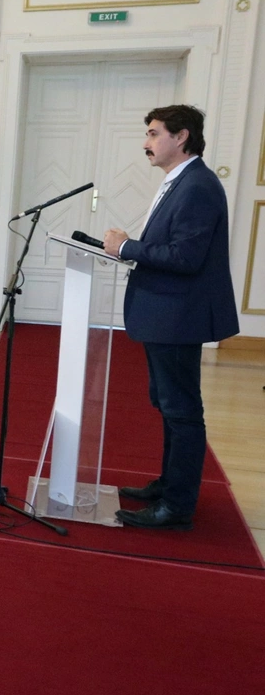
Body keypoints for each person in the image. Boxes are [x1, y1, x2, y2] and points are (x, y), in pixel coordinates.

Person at [103, 105, 239, 531]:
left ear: (181, 137)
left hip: (179, 315)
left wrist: (127, 248)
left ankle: (177, 507)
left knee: (181, 411)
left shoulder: (197, 185)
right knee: (169, 405)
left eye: (153, 133)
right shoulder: (180, 181)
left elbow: (185, 256)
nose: (146, 143)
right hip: (168, 312)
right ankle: (169, 485)